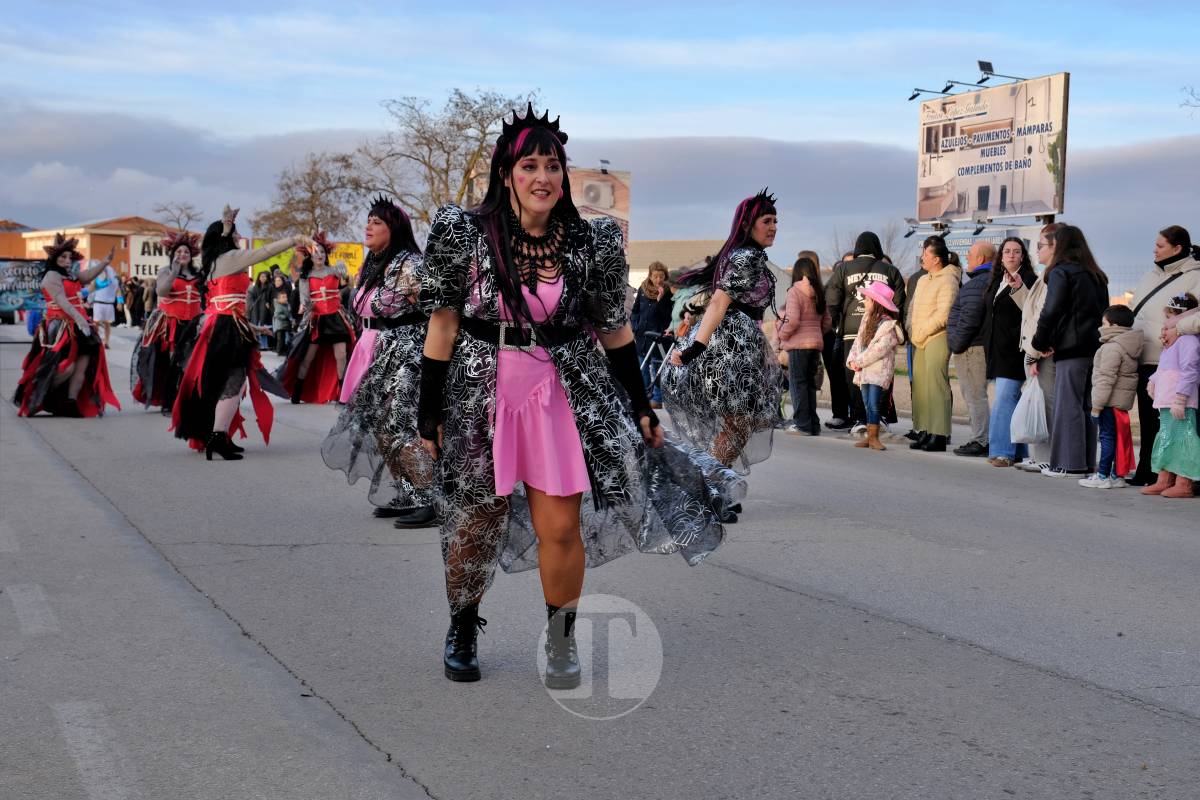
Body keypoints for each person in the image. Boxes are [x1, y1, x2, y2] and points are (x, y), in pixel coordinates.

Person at [417, 105, 734, 688]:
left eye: (554, 166)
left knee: (559, 526)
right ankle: (463, 624)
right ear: (506, 172)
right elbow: (441, 327)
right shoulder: (462, 234)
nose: (544, 177)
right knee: (475, 521)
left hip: (556, 391)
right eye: (530, 164)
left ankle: (561, 640)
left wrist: (641, 403)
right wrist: (428, 410)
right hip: (479, 389)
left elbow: (616, 330)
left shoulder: (593, 241)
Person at [322, 194, 436, 527]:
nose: (369, 226)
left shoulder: (410, 263)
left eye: (378, 222)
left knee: (400, 425)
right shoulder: (373, 264)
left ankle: (431, 498)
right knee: (379, 426)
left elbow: (434, 312)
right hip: (373, 347)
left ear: (394, 228)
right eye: (368, 220)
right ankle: (407, 492)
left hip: (404, 351)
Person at [171, 206, 308, 459]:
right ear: (226, 238)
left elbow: (221, 302)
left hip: (223, 323)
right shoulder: (230, 259)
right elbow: (264, 251)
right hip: (226, 327)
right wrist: (294, 239)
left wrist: (253, 326)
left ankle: (218, 435)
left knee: (225, 382)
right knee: (233, 381)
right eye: (236, 233)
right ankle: (217, 438)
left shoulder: (215, 262)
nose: (239, 236)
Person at [665, 189, 783, 477]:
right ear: (747, 225)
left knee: (736, 422)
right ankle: (708, 487)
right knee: (739, 421)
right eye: (766, 221)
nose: (773, 227)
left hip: (734, 343)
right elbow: (719, 302)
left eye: (775, 221)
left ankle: (711, 484)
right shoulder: (748, 257)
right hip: (731, 347)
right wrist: (696, 348)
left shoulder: (740, 254)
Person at [1030, 225, 1109, 477]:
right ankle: (1085, 462)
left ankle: (1067, 464)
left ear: (1060, 245)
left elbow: (1051, 311)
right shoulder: (1097, 275)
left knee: (1068, 405)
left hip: (1069, 348)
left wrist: (1040, 342)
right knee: (1086, 406)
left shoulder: (1061, 273)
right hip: (1094, 347)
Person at [13, 234, 121, 417]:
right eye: (63, 257)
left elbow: (87, 276)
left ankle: (71, 401)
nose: (67, 260)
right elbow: (62, 301)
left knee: (82, 365)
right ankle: (40, 395)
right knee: (65, 367)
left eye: (70, 257)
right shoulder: (51, 276)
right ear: (54, 258)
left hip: (80, 324)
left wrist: (105, 262)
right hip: (60, 327)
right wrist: (80, 320)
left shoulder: (71, 274)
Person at [1128, 226, 1200, 485]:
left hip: (1175, 362)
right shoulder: (1150, 275)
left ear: (1177, 248)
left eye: (1160, 246)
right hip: (1145, 358)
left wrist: (1178, 328)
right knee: (1149, 418)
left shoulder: (1194, 277)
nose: (1154, 250)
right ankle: (1149, 469)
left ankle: (1181, 477)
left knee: (1176, 423)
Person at [824, 232, 906, 434]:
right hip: (880, 328)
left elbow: (832, 299)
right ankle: (880, 418)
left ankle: (860, 418)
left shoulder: (843, 269)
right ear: (877, 248)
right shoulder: (890, 270)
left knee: (855, 374)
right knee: (880, 373)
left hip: (852, 330)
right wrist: (890, 321)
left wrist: (839, 321)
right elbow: (899, 302)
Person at [277, 232, 355, 404]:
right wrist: (307, 308)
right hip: (317, 320)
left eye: (322, 251)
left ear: (326, 254)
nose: (319, 254)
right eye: (315, 251)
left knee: (341, 355)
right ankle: (297, 392)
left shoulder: (335, 270)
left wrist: (345, 276)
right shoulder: (306, 276)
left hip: (335, 318)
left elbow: (346, 284)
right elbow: (305, 300)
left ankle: (342, 395)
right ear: (309, 255)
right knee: (308, 358)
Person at [132, 230, 204, 412]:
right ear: (172, 255)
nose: (182, 255)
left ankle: (187, 397)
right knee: (174, 361)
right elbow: (162, 292)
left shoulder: (199, 274)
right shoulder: (165, 271)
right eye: (179, 252)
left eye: (186, 252)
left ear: (192, 255)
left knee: (191, 362)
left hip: (194, 324)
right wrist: (174, 272)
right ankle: (170, 401)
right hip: (171, 324)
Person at [1012, 223, 1064, 473]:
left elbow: (1047, 315)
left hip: (1040, 350)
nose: (1037, 250)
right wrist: (1019, 290)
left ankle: (1045, 455)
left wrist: (1034, 352)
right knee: (1035, 402)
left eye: (1041, 245)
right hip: (1033, 347)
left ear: (1055, 246)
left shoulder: (1056, 275)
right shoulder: (1046, 274)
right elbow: (1032, 313)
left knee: (1045, 404)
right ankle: (1037, 454)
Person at [1141, 293, 1200, 498]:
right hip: (1166, 400)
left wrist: (1181, 397)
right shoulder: (1171, 342)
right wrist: (1153, 380)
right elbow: (1164, 367)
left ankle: (1184, 483)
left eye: (1171, 315)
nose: (1166, 320)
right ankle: (1164, 479)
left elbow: (1190, 370)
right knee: (1166, 438)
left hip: (1180, 401)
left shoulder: (1189, 340)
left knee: (1184, 439)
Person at [985, 237, 1038, 467]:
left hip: (1015, 350)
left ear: (1023, 256)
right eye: (1007, 251)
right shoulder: (997, 280)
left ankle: (1002, 452)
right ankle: (1019, 452)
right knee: (1012, 401)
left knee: (1003, 400)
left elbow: (1032, 313)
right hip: (996, 350)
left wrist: (1019, 288)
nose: (1011, 255)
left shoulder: (1029, 280)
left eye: (1016, 252)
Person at [1078, 305, 1143, 488]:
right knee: (1118, 439)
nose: (1101, 327)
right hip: (1120, 404)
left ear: (1113, 325)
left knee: (1107, 439)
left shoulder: (1112, 348)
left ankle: (1103, 475)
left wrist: (1097, 406)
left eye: (1104, 323)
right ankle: (1116, 475)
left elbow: (1105, 379)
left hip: (1108, 403)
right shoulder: (1128, 345)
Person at [907, 236, 961, 452]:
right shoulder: (923, 279)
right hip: (918, 338)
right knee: (920, 386)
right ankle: (924, 429)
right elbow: (913, 308)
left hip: (937, 336)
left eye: (926, 254)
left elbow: (944, 314)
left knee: (936, 385)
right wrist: (912, 329)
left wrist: (922, 330)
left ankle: (939, 434)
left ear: (937, 259)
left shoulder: (948, 279)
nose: (922, 257)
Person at [947, 241, 995, 457]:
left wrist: (956, 344)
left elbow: (969, 319)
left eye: (971, 254)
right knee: (978, 395)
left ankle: (981, 440)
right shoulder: (990, 280)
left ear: (981, 259)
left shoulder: (976, 285)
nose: (967, 257)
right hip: (980, 345)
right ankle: (983, 437)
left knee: (975, 395)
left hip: (972, 348)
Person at [846, 282, 905, 451]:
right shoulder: (866, 320)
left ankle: (874, 437)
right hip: (864, 370)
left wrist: (859, 362)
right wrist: (852, 360)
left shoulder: (888, 326)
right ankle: (869, 436)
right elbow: (858, 341)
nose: (864, 301)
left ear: (876, 303)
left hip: (877, 371)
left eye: (867, 299)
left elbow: (878, 350)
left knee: (874, 403)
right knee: (866, 402)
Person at [777, 255, 829, 435]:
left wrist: (782, 335)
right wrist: (816, 334)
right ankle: (813, 424)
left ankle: (802, 424)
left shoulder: (794, 291)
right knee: (809, 385)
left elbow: (792, 321)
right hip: (815, 345)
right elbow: (827, 321)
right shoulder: (819, 291)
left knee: (797, 385)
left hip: (798, 345)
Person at [630, 261, 674, 409]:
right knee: (642, 367)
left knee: (657, 367)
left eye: (661, 276)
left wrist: (660, 301)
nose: (658, 280)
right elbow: (635, 310)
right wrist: (635, 326)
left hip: (658, 336)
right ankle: (645, 396)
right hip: (642, 335)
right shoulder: (643, 289)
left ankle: (657, 398)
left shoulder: (668, 292)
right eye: (655, 276)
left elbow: (668, 316)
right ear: (650, 276)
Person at [88, 257, 120, 348]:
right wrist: (83, 297)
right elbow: (91, 288)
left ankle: (106, 342)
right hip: (98, 303)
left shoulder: (113, 280)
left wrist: (120, 302)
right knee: (96, 323)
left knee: (107, 324)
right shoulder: (97, 278)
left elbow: (118, 290)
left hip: (109, 304)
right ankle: (96, 340)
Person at [246, 270, 273, 349]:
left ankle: (265, 345)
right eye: (261, 276)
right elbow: (252, 298)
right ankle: (259, 345)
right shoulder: (255, 287)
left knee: (264, 326)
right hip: (256, 309)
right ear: (259, 278)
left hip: (265, 309)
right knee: (257, 325)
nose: (263, 278)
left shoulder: (270, 287)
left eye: (265, 276)